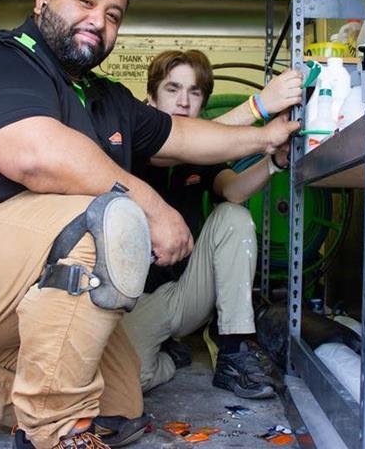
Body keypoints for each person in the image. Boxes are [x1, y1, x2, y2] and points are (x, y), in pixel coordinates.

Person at [0, 0, 299, 449]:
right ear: (44, 0)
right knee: (109, 216)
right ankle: (56, 432)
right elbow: (36, 156)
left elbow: (189, 138)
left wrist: (267, 133)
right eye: (86, 1)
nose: (98, 21)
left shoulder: (105, 98)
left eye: (113, 15)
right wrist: (152, 204)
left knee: (120, 402)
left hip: (32, 285)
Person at [122, 50, 302, 399]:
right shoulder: (132, 138)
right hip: (136, 301)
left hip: (185, 294)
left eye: (194, 93)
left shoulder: (201, 155)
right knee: (131, 382)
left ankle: (233, 353)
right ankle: (167, 355)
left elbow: (232, 190)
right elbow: (174, 145)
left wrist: (274, 163)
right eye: (173, 89)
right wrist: (260, 107)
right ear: (150, 99)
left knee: (233, 216)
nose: (183, 101)